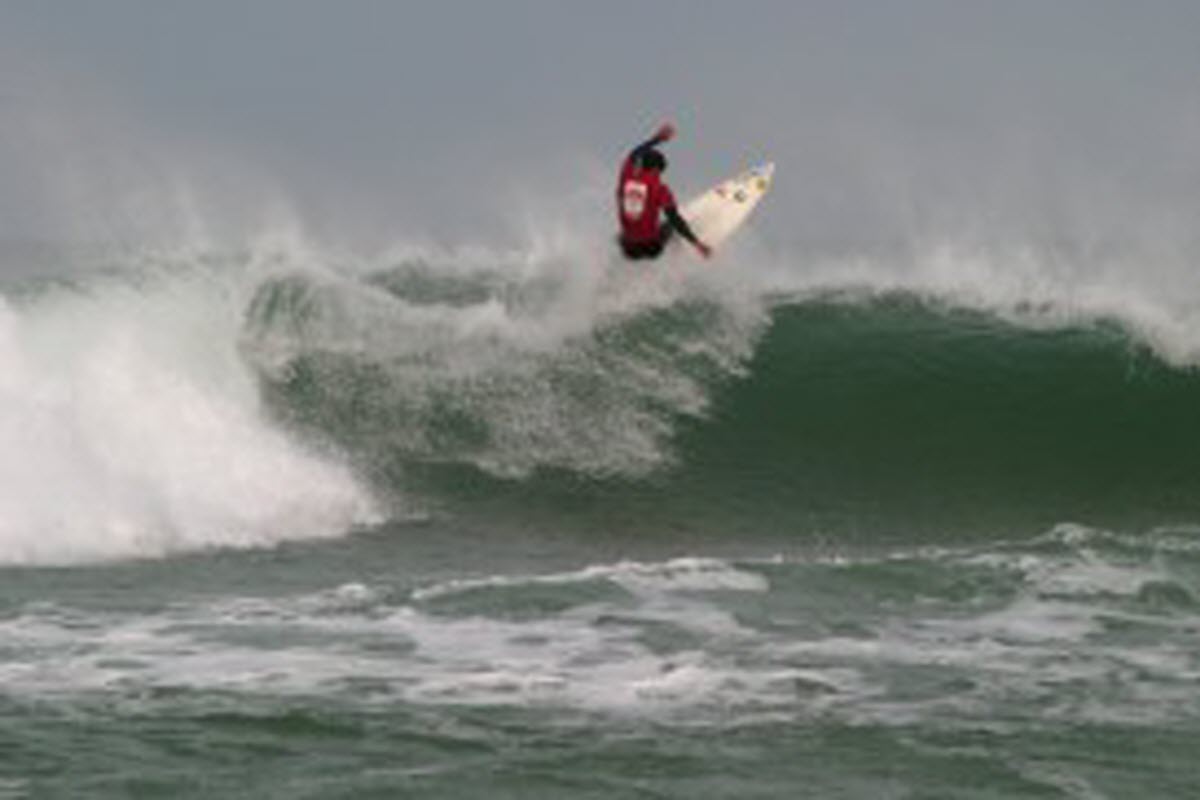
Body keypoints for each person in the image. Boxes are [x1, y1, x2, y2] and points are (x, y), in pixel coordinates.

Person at [616, 122, 712, 260]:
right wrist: (697, 243)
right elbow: (674, 219)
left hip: (628, 248)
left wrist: (657, 139)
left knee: (623, 234)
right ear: (657, 169)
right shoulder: (661, 190)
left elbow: (634, 153)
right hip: (651, 248)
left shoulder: (626, 178)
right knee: (670, 225)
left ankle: (623, 260)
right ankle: (676, 251)